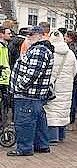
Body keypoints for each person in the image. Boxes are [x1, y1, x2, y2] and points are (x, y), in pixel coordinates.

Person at [7, 26, 54, 156]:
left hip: (28, 94)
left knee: (24, 122)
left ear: (39, 36)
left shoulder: (38, 51)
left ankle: (24, 148)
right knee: (38, 121)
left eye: (30, 36)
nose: (28, 38)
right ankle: (41, 145)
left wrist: (19, 87)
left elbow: (33, 74)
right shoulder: (41, 50)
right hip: (33, 95)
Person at [44, 31, 77, 144]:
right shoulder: (71, 53)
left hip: (53, 85)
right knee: (63, 109)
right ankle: (61, 134)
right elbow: (74, 70)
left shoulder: (50, 52)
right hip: (66, 85)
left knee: (51, 110)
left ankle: (53, 137)